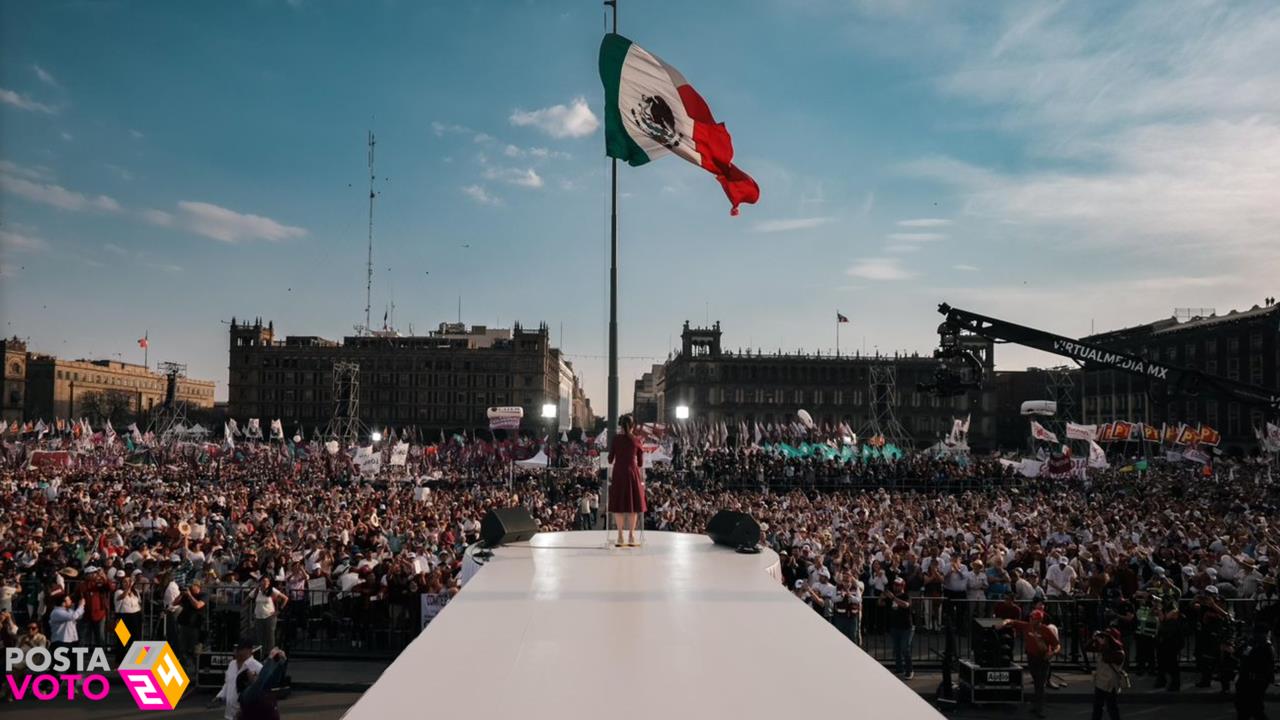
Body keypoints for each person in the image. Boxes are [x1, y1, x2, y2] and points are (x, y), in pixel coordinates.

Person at [1001, 609, 1061, 718]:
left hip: (1043, 659)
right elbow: (1011, 621)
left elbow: (1057, 645)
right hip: (1031, 658)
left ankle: (1040, 709)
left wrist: (1052, 653)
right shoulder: (1027, 626)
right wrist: (1003, 623)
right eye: (1031, 618)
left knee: (1040, 685)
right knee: (1037, 683)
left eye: (1033, 619)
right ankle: (1036, 706)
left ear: (1039, 620)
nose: (1031, 620)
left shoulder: (1046, 630)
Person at [607, 414, 646, 548]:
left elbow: (610, 459)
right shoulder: (636, 440)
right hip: (632, 474)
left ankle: (619, 536)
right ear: (633, 426)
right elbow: (640, 463)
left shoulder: (616, 439)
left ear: (620, 425)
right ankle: (631, 535)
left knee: (619, 505)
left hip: (619, 473)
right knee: (633, 506)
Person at [215, 637, 263, 720]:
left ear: (249, 650)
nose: (236, 652)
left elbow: (259, 693)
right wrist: (220, 696)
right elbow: (227, 683)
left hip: (247, 715)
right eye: (235, 649)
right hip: (230, 714)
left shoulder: (258, 667)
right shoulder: (232, 664)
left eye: (240, 649)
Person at [1234, 623, 1274, 720]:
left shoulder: (1261, 645)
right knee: (1248, 709)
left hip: (1254, 679)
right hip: (1250, 679)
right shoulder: (1259, 644)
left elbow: (1241, 655)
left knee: (1252, 708)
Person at [236, 647, 289, 720]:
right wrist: (270, 659)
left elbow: (273, 679)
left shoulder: (260, 690)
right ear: (246, 682)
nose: (255, 674)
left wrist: (281, 662)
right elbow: (261, 680)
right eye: (253, 674)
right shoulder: (247, 695)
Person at [1088, 627, 1128, 720]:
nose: (1104, 639)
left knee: (1112, 708)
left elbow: (1107, 658)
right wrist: (1093, 639)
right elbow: (1088, 648)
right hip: (1100, 682)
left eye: (1107, 637)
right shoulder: (1103, 648)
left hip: (1111, 684)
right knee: (1097, 707)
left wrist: (1103, 646)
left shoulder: (1119, 653)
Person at [882, 577, 915, 679]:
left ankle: (909, 670)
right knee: (897, 649)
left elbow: (906, 605)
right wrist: (882, 595)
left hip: (906, 627)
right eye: (895, 584)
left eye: (898, 585)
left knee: (905, 648)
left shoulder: (906, 595)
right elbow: (880, 603)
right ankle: (899, 668)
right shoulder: (891, 596)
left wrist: (893, 598)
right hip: (895, 627)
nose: (896, 586)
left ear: (902, 586)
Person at [248, 577, 288, 655]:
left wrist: (279, 610)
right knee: (259, 637)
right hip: (258, 616)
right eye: (263, 581)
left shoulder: (272, 590)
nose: (265, 583)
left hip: (269, 616)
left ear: (269, 583)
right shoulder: (256, 591)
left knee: (270, 637)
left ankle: (270, 655)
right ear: (260, 582)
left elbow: (285, 598)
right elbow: (247, 599)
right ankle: (261, 654)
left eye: (266, 581)